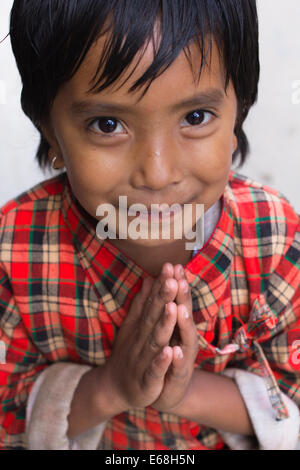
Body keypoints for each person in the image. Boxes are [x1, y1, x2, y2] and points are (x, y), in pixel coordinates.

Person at [0, 0, 299, 450]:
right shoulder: (14, 250)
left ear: (238, 114)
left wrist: (184, 391)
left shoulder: (277, 240)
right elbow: (8, 412)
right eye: (107, 124)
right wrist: (112, 387)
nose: (157, 174)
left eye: (195, 118)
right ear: (49, 129)